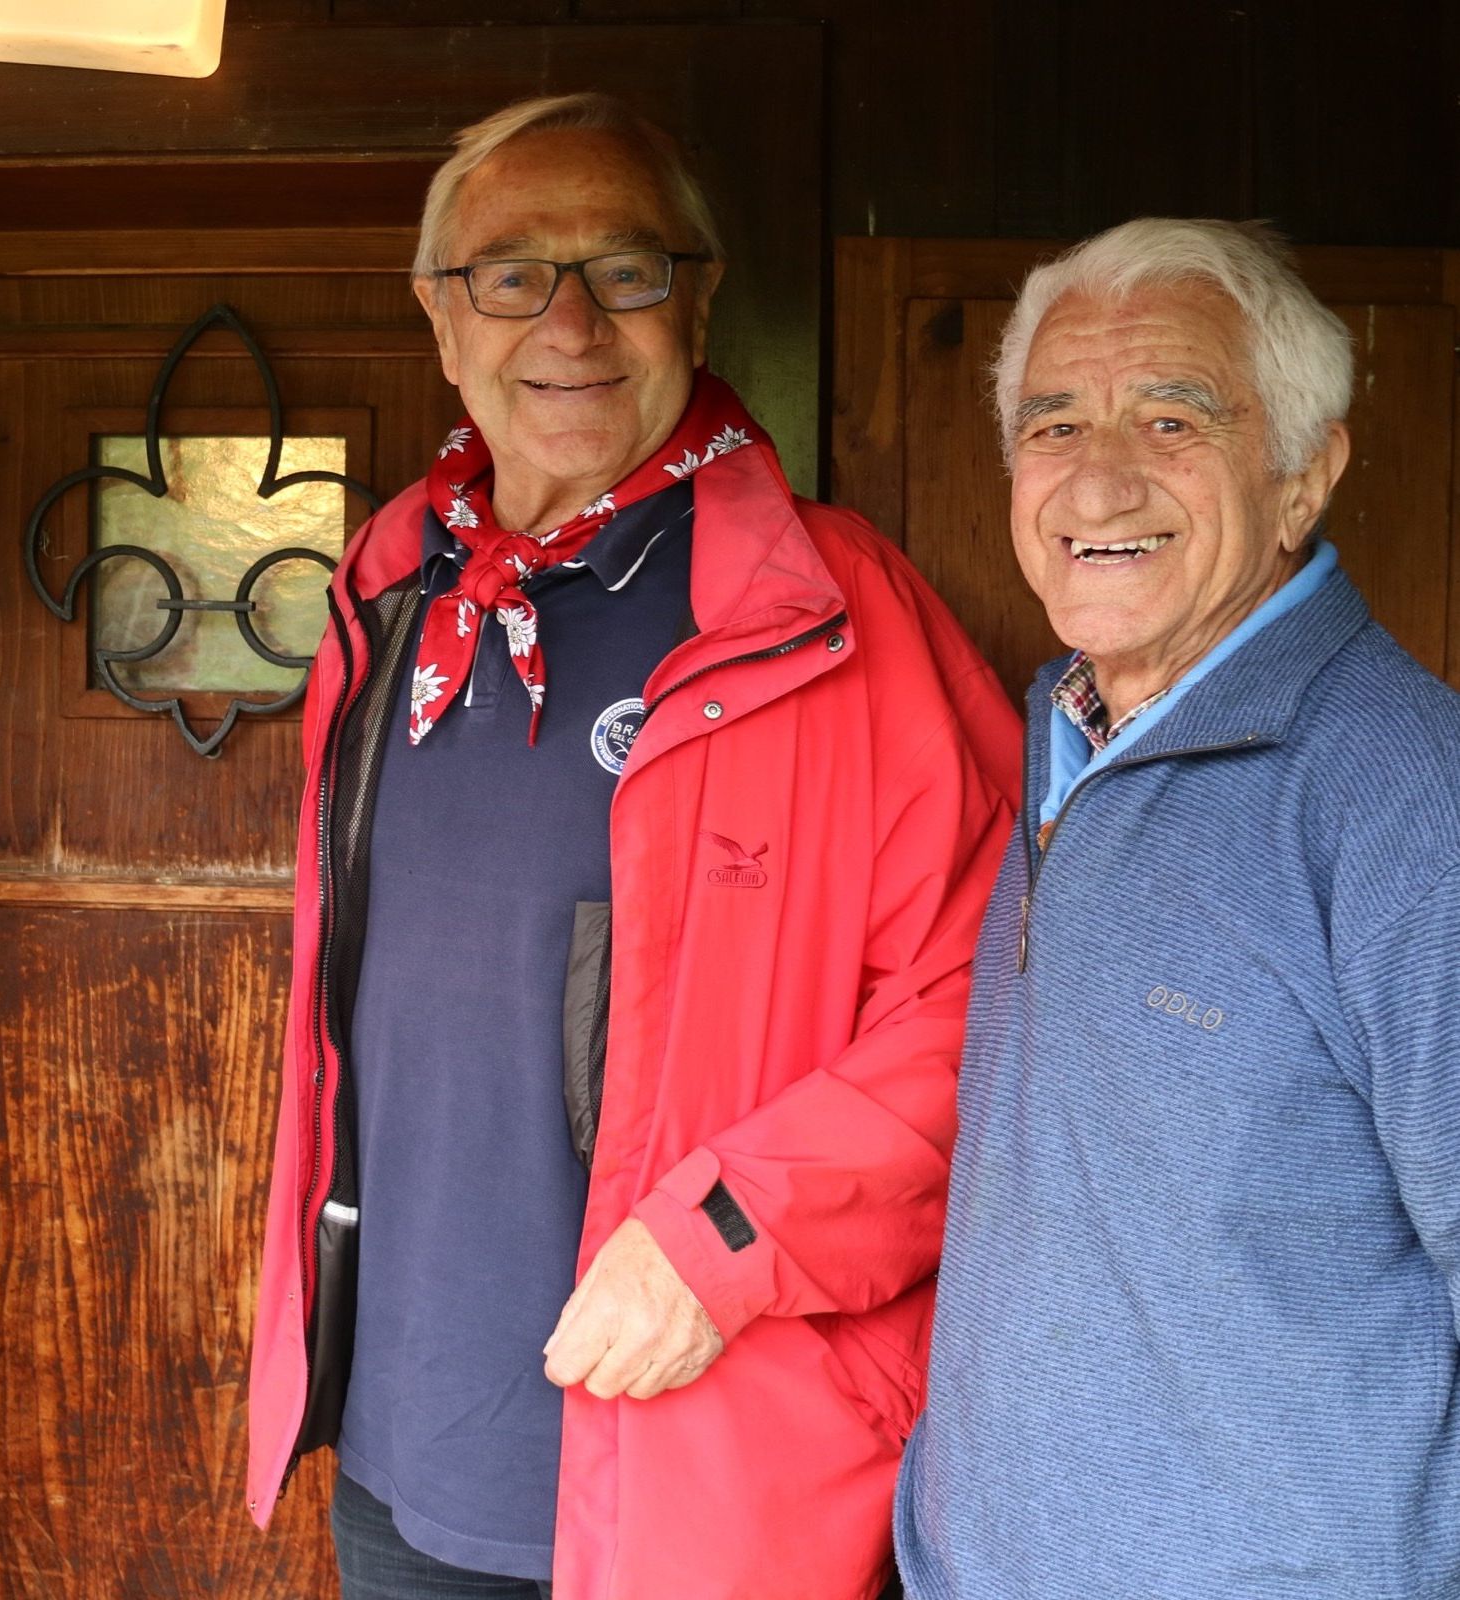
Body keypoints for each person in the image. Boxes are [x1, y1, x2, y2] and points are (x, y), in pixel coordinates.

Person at [245, 93, 1019, 1600]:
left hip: (706, 1457)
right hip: (405, 1450)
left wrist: (727, 1237)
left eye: (624, 267)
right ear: (440, 317)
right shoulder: (389, 597)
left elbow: (996, 1004)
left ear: (699, 298)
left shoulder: (825, 613)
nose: (570, 321)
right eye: (511, 272)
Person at [895, 219, 1460, 1598]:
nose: (1097, 479)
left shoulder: (1408, 794)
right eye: (1054, 424)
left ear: (1301, 477)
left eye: (1170, 419)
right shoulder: (1068, 728)